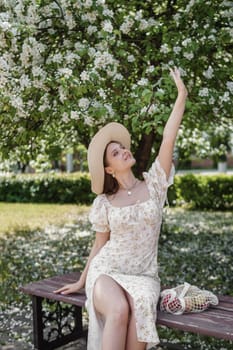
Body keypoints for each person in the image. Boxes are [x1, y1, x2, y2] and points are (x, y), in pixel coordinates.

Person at [54, 67, 188, 350]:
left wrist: (181, 96)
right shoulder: (104, 203)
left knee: (139, 310)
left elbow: (168, 140)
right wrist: (81, 280)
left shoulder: (154, 185)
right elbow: (99, 245)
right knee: (118, 311)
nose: (124, 151)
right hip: (107, 271)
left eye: (122, 148)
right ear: (108, 169)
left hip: (144, 276)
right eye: (115, 153)